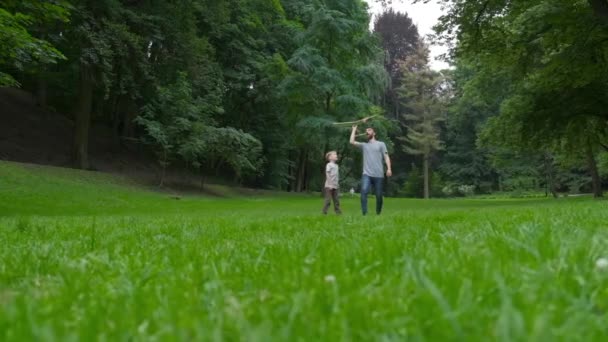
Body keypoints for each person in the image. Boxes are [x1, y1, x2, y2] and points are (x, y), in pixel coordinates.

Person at [350, 123, 392, 215]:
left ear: (374, 133)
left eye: (369, 130)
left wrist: (389, 168)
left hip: (379, 175)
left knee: (379, 196)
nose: (367, 132)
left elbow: (386, 157)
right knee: (364, 191)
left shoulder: (381, 144)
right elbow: (352, 142)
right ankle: (364, 213)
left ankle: (378, 213)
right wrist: (353, 130)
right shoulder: (364, 145)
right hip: (367, 174)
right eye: (366, 131)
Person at [322, 151, 341, 215]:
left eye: (336, 154)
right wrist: (330, 184)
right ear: (330, 157)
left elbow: (336, 176)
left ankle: (338, 212)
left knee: (336, 200)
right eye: (335, 154)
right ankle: (324, 212)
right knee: (328, 200)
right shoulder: (329, 165)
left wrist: (337, 184)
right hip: (329, 186)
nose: (336, 155)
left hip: (335, 186)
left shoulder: (336, 166)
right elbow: (327, 174)